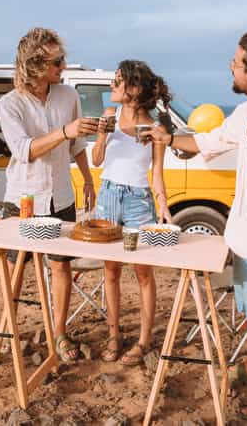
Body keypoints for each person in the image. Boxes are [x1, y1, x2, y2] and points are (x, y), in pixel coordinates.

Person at [145, 31, 247, 424]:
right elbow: (208, 141)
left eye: (235, 63)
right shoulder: (245, 116)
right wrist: (168, 137)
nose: (230, 68)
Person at [0, 27, 99, 363]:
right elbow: (25, 150)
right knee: (16, 269)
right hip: (24, 198)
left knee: (60, 267)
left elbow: (78, 144)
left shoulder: (68, 96)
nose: (63, 67)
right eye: (57, 62)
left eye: (62, 59)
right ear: (36, 65)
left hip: (61, 196)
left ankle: (59, 332)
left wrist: (87, 180)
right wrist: (64, 131)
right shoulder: (9, 104)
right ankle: (6, 332)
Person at [91, 59, 174, 365]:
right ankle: (114, 335)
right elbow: (98, 161)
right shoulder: (108, 115)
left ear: (135, 89)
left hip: (139, 200)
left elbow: (157, 174)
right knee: (110, 270)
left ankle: (143, 340)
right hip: (109, 194)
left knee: (143, 272)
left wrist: (162, 203)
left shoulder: (154, 128)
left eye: (118, 81)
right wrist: (101, 134)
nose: (112, 86)